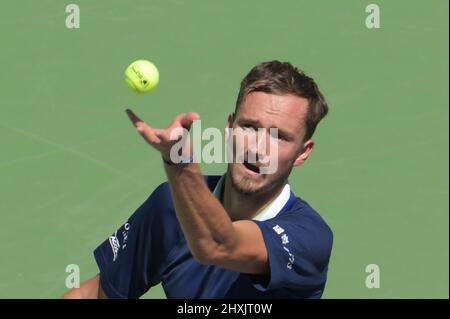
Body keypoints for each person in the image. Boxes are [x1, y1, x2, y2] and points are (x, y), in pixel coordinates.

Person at [63, 60, 333, 299]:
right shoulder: (171, 205)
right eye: (249, 127)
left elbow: (218, 244)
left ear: (302, 152)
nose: (258, 148)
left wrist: (181, 164)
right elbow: (92, 295)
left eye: (279, 137)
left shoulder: (308, 237)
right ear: (229, 127)